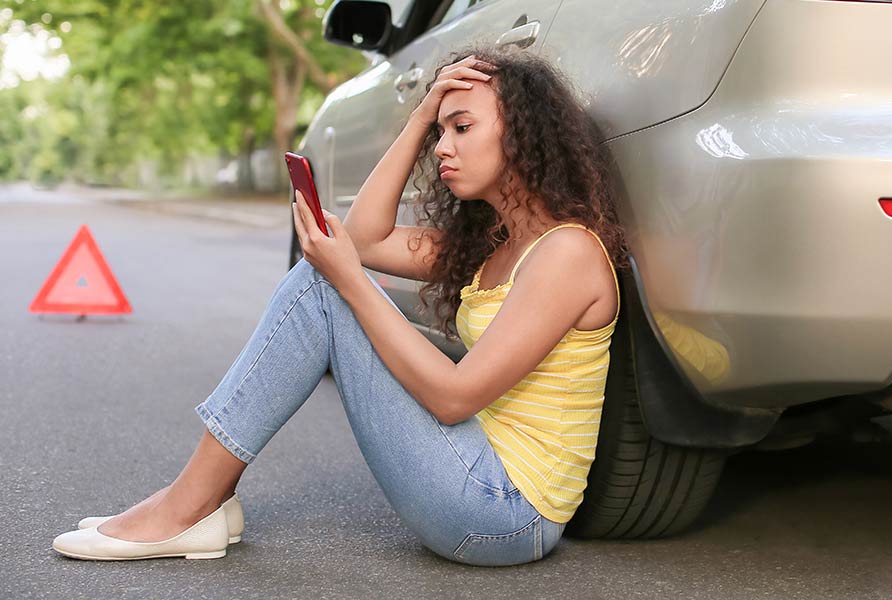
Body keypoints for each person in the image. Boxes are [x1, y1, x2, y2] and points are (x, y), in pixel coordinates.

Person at [51, 45, 627, 567]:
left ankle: (188, 504)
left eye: (462, 127)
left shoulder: (566, 253)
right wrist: (419, 117)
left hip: (505, 512)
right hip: (477, 473)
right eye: (440, 132)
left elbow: (455, 398)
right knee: (326, 280)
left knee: (326, 288)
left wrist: (348, 279)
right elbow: (368, 239)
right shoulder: (492, 247)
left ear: (523, 134)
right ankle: (203, 499)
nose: (444, 147)